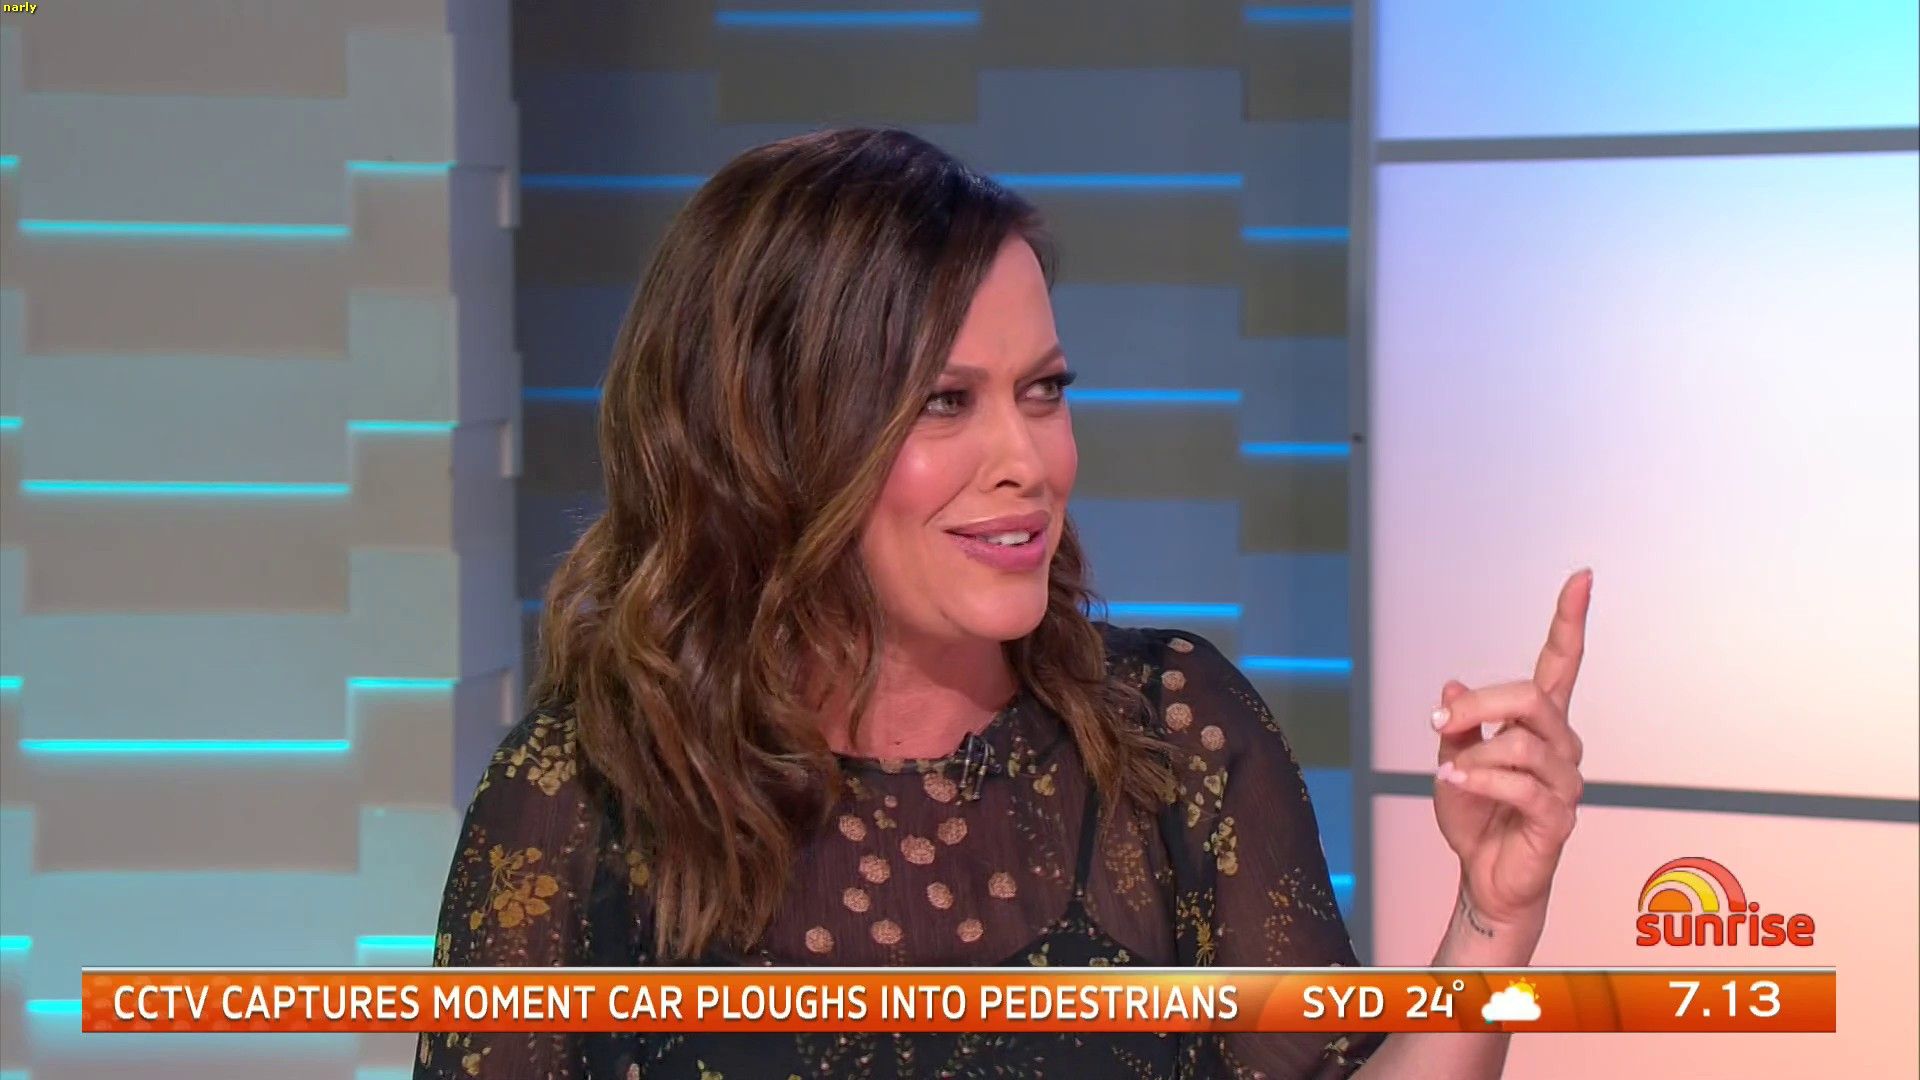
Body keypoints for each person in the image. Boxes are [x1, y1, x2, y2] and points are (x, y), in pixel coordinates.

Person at [415, 128, 1593, 1079]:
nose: (1029, 461)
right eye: (947, 402)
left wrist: (1491, 924)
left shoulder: (1174, 738)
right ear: (772, 439)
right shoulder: (583, 795)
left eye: (1043, 391)